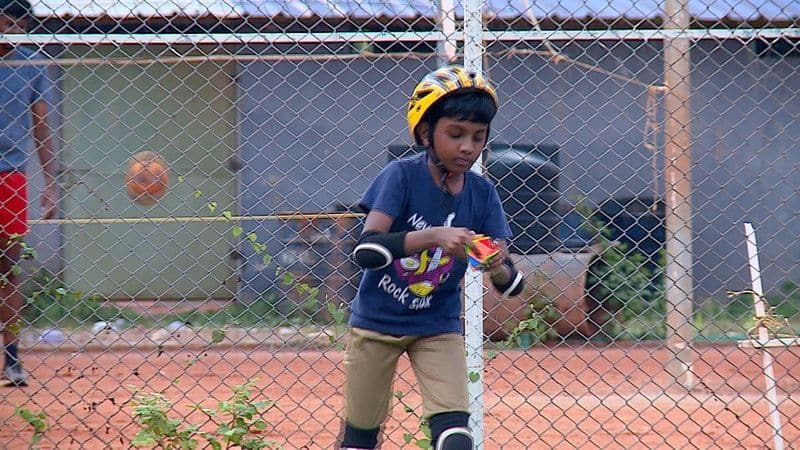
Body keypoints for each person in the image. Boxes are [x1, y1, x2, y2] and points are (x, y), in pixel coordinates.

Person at [340, 65, 524, 450]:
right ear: (426, 133)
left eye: (478, 137)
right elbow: (368, 248)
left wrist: (496, 265)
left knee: (456, 434)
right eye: (455, 134)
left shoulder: (482, 193)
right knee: (360, 437)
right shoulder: (400, 177)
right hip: (376, 323)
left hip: (437, 326)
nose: (468, 147)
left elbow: (511, 283)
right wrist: (431, 237)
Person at [0, 0, 58, 387]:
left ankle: (11, 358)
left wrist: (50, 182)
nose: (17, 28)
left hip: (10, 176)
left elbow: (41, 124)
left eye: (22, 23)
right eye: (12, 20)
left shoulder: (31, 63)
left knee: (10, 269)